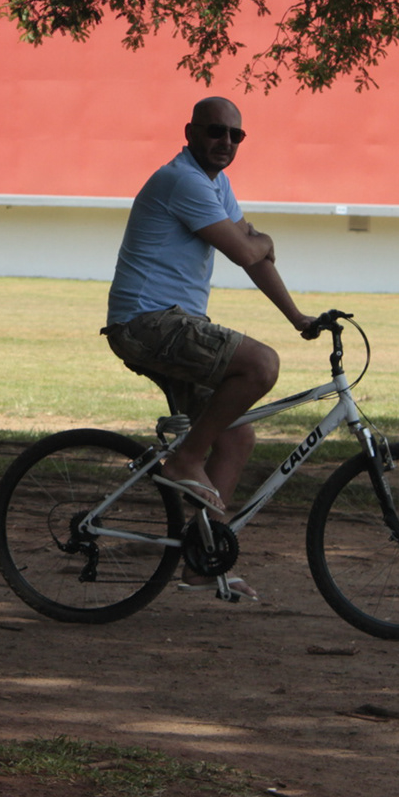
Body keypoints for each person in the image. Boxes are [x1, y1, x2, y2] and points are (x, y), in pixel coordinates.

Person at [101, 96, 316, 597]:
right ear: (191, 131)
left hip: (172, 324)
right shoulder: (185, 181)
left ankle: (200, 562)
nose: (225, 142)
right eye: (215, 131)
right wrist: (259, 240)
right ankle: (184, 459)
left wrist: (298, 317)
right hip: (148, 323)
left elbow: (253, 256)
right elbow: (246, 249)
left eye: (235, 136)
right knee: (261, 365)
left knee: (237, 437)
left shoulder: (216, 183)